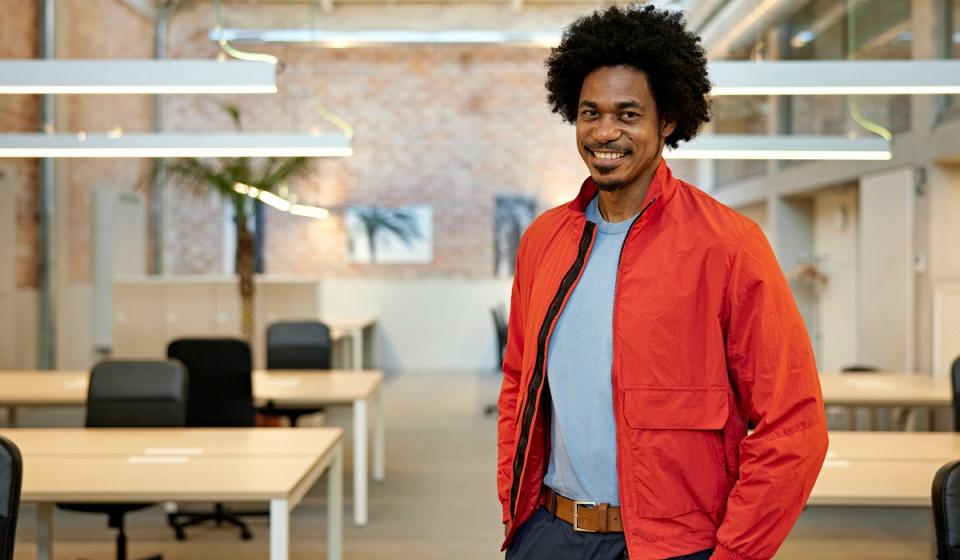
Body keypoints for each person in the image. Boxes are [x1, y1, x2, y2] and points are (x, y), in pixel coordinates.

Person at [496, 5, 828, 560]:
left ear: (666, 120)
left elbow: (793, 424)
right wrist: (519, 516)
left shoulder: (728, 244)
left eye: (628, 114)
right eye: (589, 113)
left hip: (674, 547)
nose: (606, 132)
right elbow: (517, 385)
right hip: (548, 534)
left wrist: (734, 555)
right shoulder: (543, 241)